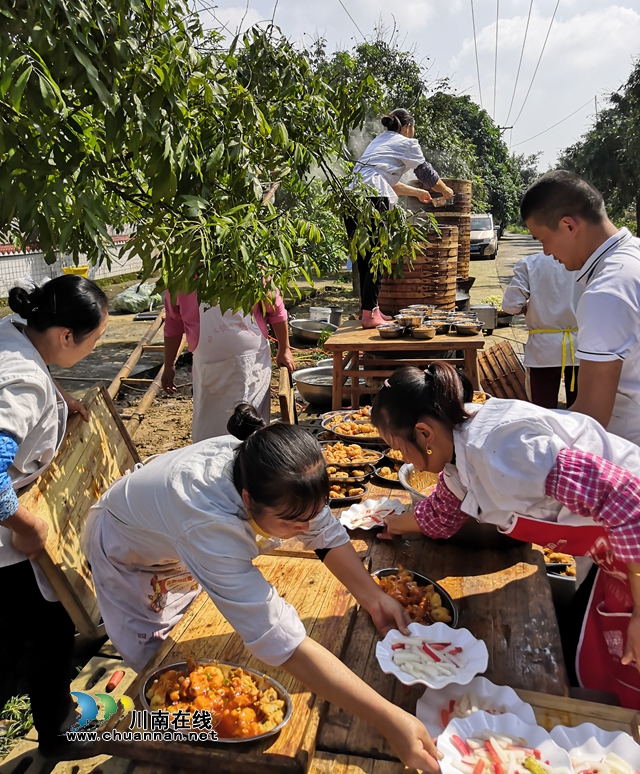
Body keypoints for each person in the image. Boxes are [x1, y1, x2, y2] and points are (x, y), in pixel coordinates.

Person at [82, 405, 441, 772]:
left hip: (173, 542)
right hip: (128, 556)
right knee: (161, 670)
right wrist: (386, 717)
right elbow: (278, 636)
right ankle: (154, 747)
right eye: (291, 522)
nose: (305, 528)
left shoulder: (276, 469)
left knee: (194, 646)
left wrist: (375, 598)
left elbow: (324, 532)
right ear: (249, 499)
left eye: (311, 513)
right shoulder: (207, 521)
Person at [370, 363, 640, 708]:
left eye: (398, 447)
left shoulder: (504, 450)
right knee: (589, 647)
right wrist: (390, 525)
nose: (402, 457)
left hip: (632, 537)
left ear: (423, 434)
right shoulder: (457, 450)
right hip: (611, 552)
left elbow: (627, 500)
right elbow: (440, 516)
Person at [0, 275, 109, 758]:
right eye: (96, 338)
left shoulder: (15, 331)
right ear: (66, 335)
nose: (96, 347)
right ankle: (57, 731)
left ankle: (56, 711)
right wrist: (27, 524)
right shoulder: (22, 384)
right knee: (37, 632)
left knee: (41, 628)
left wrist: (59, 397)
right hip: (7, 537)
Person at [520, 170, 640, 444]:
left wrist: (521, 435)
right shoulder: (633, 257)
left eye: (542, 240)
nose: (546, 253)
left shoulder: (606, 292)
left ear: (568, 226)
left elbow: (590, 418)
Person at [350, 108, 454, 328]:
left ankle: (370, 310)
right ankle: (370, 315)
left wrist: (418, 193)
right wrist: (446, 192)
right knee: (377, 255)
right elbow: (427, 174)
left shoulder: (379, 141)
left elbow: (386, 180)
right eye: (413, 127)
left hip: (351, 199)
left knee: (364, 259)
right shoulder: (407, 143)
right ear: (408, 126)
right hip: (374, 200)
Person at [161, 290, 295, 441]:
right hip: (210, 368)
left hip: (253, 364)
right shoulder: (181, 280)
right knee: (211, 435)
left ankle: (253, 462)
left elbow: (275, 309)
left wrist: (284, 348)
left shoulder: (253, 270)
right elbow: (173, 322)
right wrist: (169, 364)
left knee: (252, 429)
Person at [502, 252, 582, 408]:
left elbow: (510, 305)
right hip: (581, 347)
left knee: (543, 411)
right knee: (581, 413)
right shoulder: (585, 262)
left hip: (543, 349)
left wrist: (527, 307)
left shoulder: (530, 263)